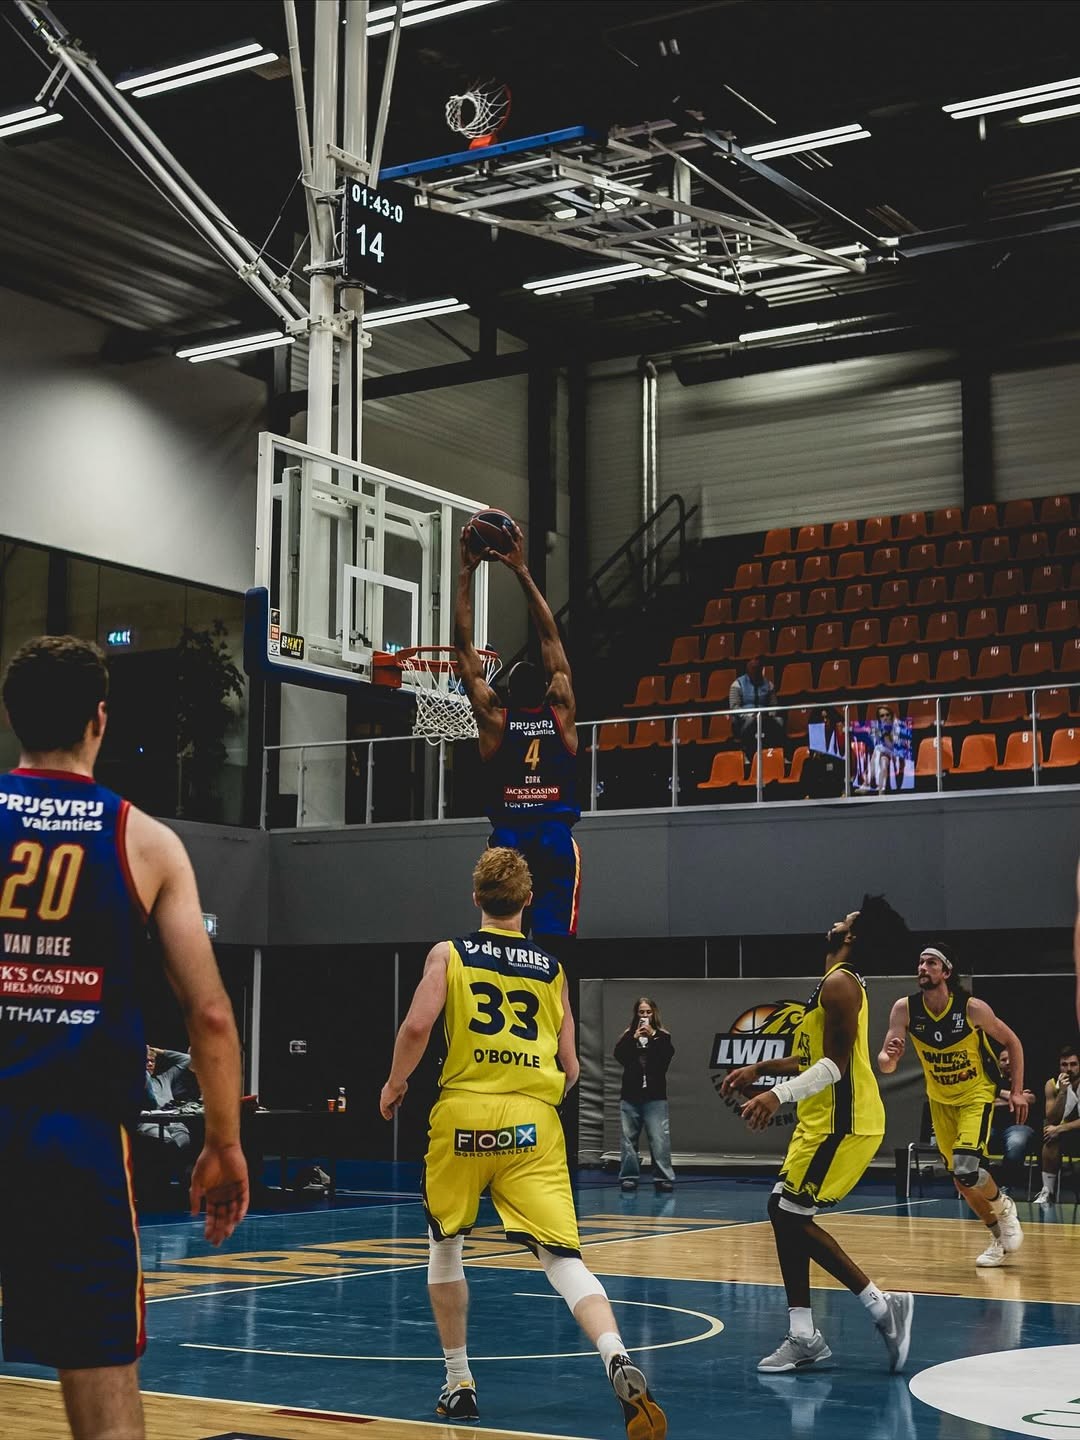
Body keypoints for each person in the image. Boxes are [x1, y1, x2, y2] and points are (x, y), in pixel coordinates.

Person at [0, 635, 248, 1440]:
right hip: (79, 1141)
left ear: (11, 717)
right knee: (100, 1369)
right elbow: (209, 1015)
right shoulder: (144, 840)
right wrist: (223, 1143)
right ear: (99, 721)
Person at [378, 847, 665, 1440]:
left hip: (464, 1113)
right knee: (562, 1258)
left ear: (475, 897)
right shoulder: (551, 968)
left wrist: (395, 1082)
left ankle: (459, 1382)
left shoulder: (448, 953)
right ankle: (614, 1353)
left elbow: (417, 1026)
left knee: (445, 1245)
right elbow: (571, 1065)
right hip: (533, 1121)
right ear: (528, 901)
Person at [721, 896, 914, 1374]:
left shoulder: (841, 984)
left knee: (787, 1213)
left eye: (847, 918)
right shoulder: (832, 983)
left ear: (852, 935)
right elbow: (812, 1057)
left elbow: (834, 1066)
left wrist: (776, 1095)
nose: (837, 919)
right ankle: (805, 1336)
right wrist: (761, 1069)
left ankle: (881, 1305)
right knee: (785, 1213)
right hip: (823, 1119)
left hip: (843, 1121)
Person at [454, 523, 581, 945]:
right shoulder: (560, 710)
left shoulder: (493, 719)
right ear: (546, 687)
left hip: (509, 838)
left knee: (503, 937)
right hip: (554, 835)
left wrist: (466, 572)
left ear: (505, 692)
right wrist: (521, 570)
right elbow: (549, 635)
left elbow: (464, 651)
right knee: (554, 943)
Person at [878, 943, 1026, 1267]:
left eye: (931, 963)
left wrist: (1015, 1091)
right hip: (940, 1101)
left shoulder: (972, 1009)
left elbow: (1012, 1041)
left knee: (966, 1167)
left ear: (946, 972)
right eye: (920, 962)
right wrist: (889, 1056)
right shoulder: (904, 1009)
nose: (923, 968)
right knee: (961, 1180)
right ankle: (997, 1237)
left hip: (975, 1094)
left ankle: (1004, 1208)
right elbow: (885, 1065)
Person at [614, 997, 676, 1193]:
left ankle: (663, 1177)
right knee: (628, 1139)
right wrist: (632, 1039)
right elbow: (620, 1056)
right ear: (636, 1014)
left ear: (654, 1013)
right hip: (630, 1095)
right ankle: (629, 1176)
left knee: (659, 1139)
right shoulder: (628, 1035)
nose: (645, 1015)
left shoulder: (663, 1037)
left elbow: (665, 1059)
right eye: (641, 1012)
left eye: (648, 1012)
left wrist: (653, 1038)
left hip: (654, 1096)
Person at [1034, 1042, 1080, 1204]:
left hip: (1071, 1129)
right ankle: (1048, 1191)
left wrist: (1059, 1128)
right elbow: (1051, 1119)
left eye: (1073, 1064)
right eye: (1064, 1065)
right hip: (1065, 1131)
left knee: (1054, 1131)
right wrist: (1062, 1092)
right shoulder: (1052, 1084)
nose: (1069, 1069)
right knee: (1049, 1136)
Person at [988, 1045, 1036, 1193]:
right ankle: (980, 1185)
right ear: (998, 1063)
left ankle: (1006, 1184)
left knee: (1016, 1142)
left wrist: (997, 1093)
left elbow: (1030, 1099)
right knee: (974, 1141)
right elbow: (986, 1103)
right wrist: (1016, 1097)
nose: (1008, 1062)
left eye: (1011, 1059)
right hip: (992, 1126)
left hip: (1019, 1126)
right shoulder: (990, 1081)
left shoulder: (1027, 1078)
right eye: (1003, 1060)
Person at [728, 655, 784, 756]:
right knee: (751, 722)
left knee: (780, 721)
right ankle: (748, 754)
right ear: (748, 671)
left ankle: (777, 754)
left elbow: (774, 705)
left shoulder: (769, 685)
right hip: (745, 719)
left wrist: (769, 715)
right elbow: (734, 707)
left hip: (765, 717)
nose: (755, 672)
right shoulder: (737, 684)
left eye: (757, 670)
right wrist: (749, 716)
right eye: (753, 670)